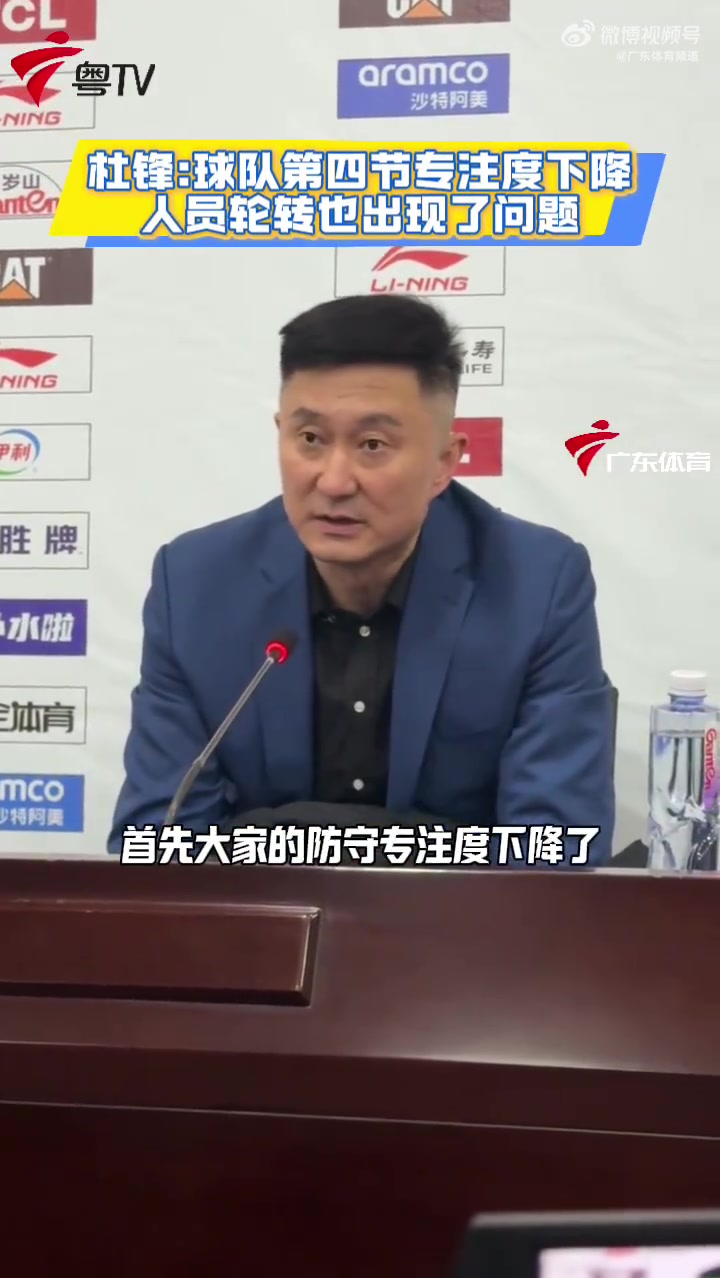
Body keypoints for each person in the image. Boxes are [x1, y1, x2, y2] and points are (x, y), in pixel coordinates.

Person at [108, 293, 615, 865]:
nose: (333, 481)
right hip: (265, 923)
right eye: (310, 439)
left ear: (445, 462)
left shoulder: (537, 584)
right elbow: (158, 841)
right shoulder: (194, 583)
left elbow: (556, 849)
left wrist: (284, 832)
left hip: (460, 925)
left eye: (373, 445)